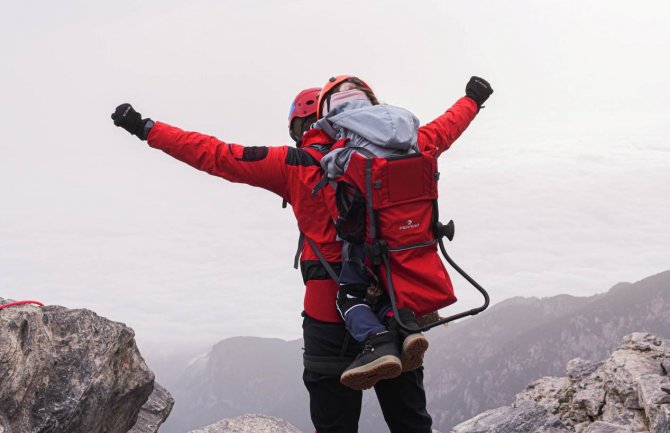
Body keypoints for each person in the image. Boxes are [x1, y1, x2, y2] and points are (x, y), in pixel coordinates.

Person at [110, 74, 491, 433]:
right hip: (398, 300)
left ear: (302, 126)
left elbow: (216, 155)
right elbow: (447, 126)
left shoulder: (294, 164)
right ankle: (397, 340)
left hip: (328, 314)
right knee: (410, 421)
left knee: (333, 423)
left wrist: (146, 128)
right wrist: (473, 98)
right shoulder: (409, 144)